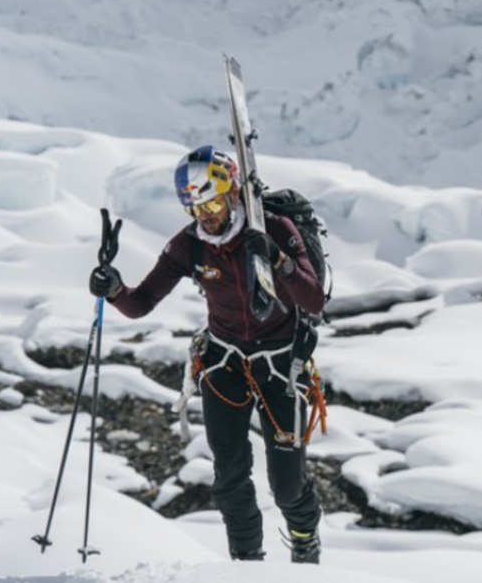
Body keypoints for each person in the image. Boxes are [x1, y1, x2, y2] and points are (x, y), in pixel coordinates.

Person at [88, 145, 325, 563]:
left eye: (212, 203)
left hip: (281, 367)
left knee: (288, 487)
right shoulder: (190, 245)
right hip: (223, 364)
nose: (206, 216)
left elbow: (314, 299)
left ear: (233, 192)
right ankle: (246, 566)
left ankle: (305, 545)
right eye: (195, 209)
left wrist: (277, 258)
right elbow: (141, 303)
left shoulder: (274, 228)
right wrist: (114, 290)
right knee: (229, 479)